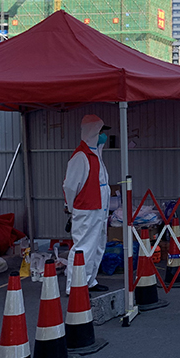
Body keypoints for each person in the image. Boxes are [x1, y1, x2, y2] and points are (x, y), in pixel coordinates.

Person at [63, 115, 111, 294]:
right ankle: (75, 286)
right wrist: (71, 206)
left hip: (97, 207)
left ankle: (89, 280)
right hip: (87, 208)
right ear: (93, 132)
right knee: (83, 247)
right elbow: (70, 186)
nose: (104, 136)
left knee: (97, 245)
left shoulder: (94, 154)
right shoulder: (81, 156)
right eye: (101, 132)